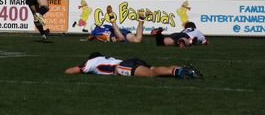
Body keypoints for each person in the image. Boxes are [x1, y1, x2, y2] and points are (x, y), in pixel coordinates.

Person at [65, 52, 203, 79]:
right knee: (153, 69)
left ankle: (179, 72)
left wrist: (67, 71)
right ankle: (182, 68)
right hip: (129, 61)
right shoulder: (105, 58)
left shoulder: (91, 62)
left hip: (122, 67)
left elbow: (71, 71)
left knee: (150, 74)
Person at [86, 5, 151, 43]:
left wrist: (87, 39)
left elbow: (90, 38)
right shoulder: (104, 25)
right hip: (121, 31)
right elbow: (114, 28)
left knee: (121, 38)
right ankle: (141, 19)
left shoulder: (95, 31)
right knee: (137, 40)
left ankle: (112, 18)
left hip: (115, 35)